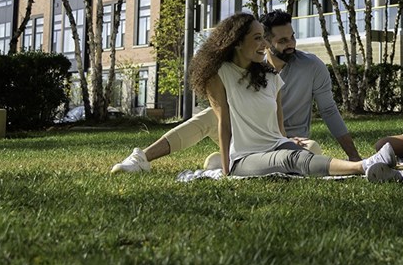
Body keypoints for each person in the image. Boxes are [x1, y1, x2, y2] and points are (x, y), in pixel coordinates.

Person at [111, 9, 360, 173]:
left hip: (286, 139)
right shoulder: (241, 68)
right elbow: (225, 116)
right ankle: (142, 158)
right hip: (245, 132)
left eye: (292, 38)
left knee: (312, 149)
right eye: (282, 41)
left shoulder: (310, 67)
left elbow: (328, 111)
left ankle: (224, 162)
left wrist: (353, 156)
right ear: (267, 42)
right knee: (210, 115)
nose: (291, 44)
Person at [181, 12, 399, 181]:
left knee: (304, 156)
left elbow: (279, 127)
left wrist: (287, 141)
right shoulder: (219, 74)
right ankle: (365, 166)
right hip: (244, 157)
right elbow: (224, 124)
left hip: (276, 145)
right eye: (258, 38)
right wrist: (228, 170)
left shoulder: (270, 76)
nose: (264, 45)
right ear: (237, 42)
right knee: (291, 159)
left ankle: (370, 167)